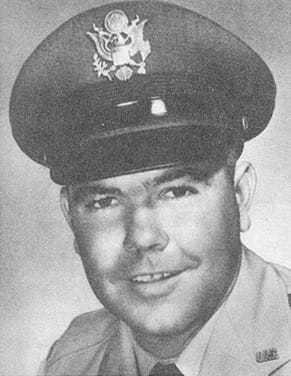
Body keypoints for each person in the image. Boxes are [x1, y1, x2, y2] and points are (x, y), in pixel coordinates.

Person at [9, 1, 291, 375]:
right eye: (103, 201)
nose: (142, 238)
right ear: (70, 219)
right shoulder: (71, 359)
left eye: (176, 192)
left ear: (240, 195)